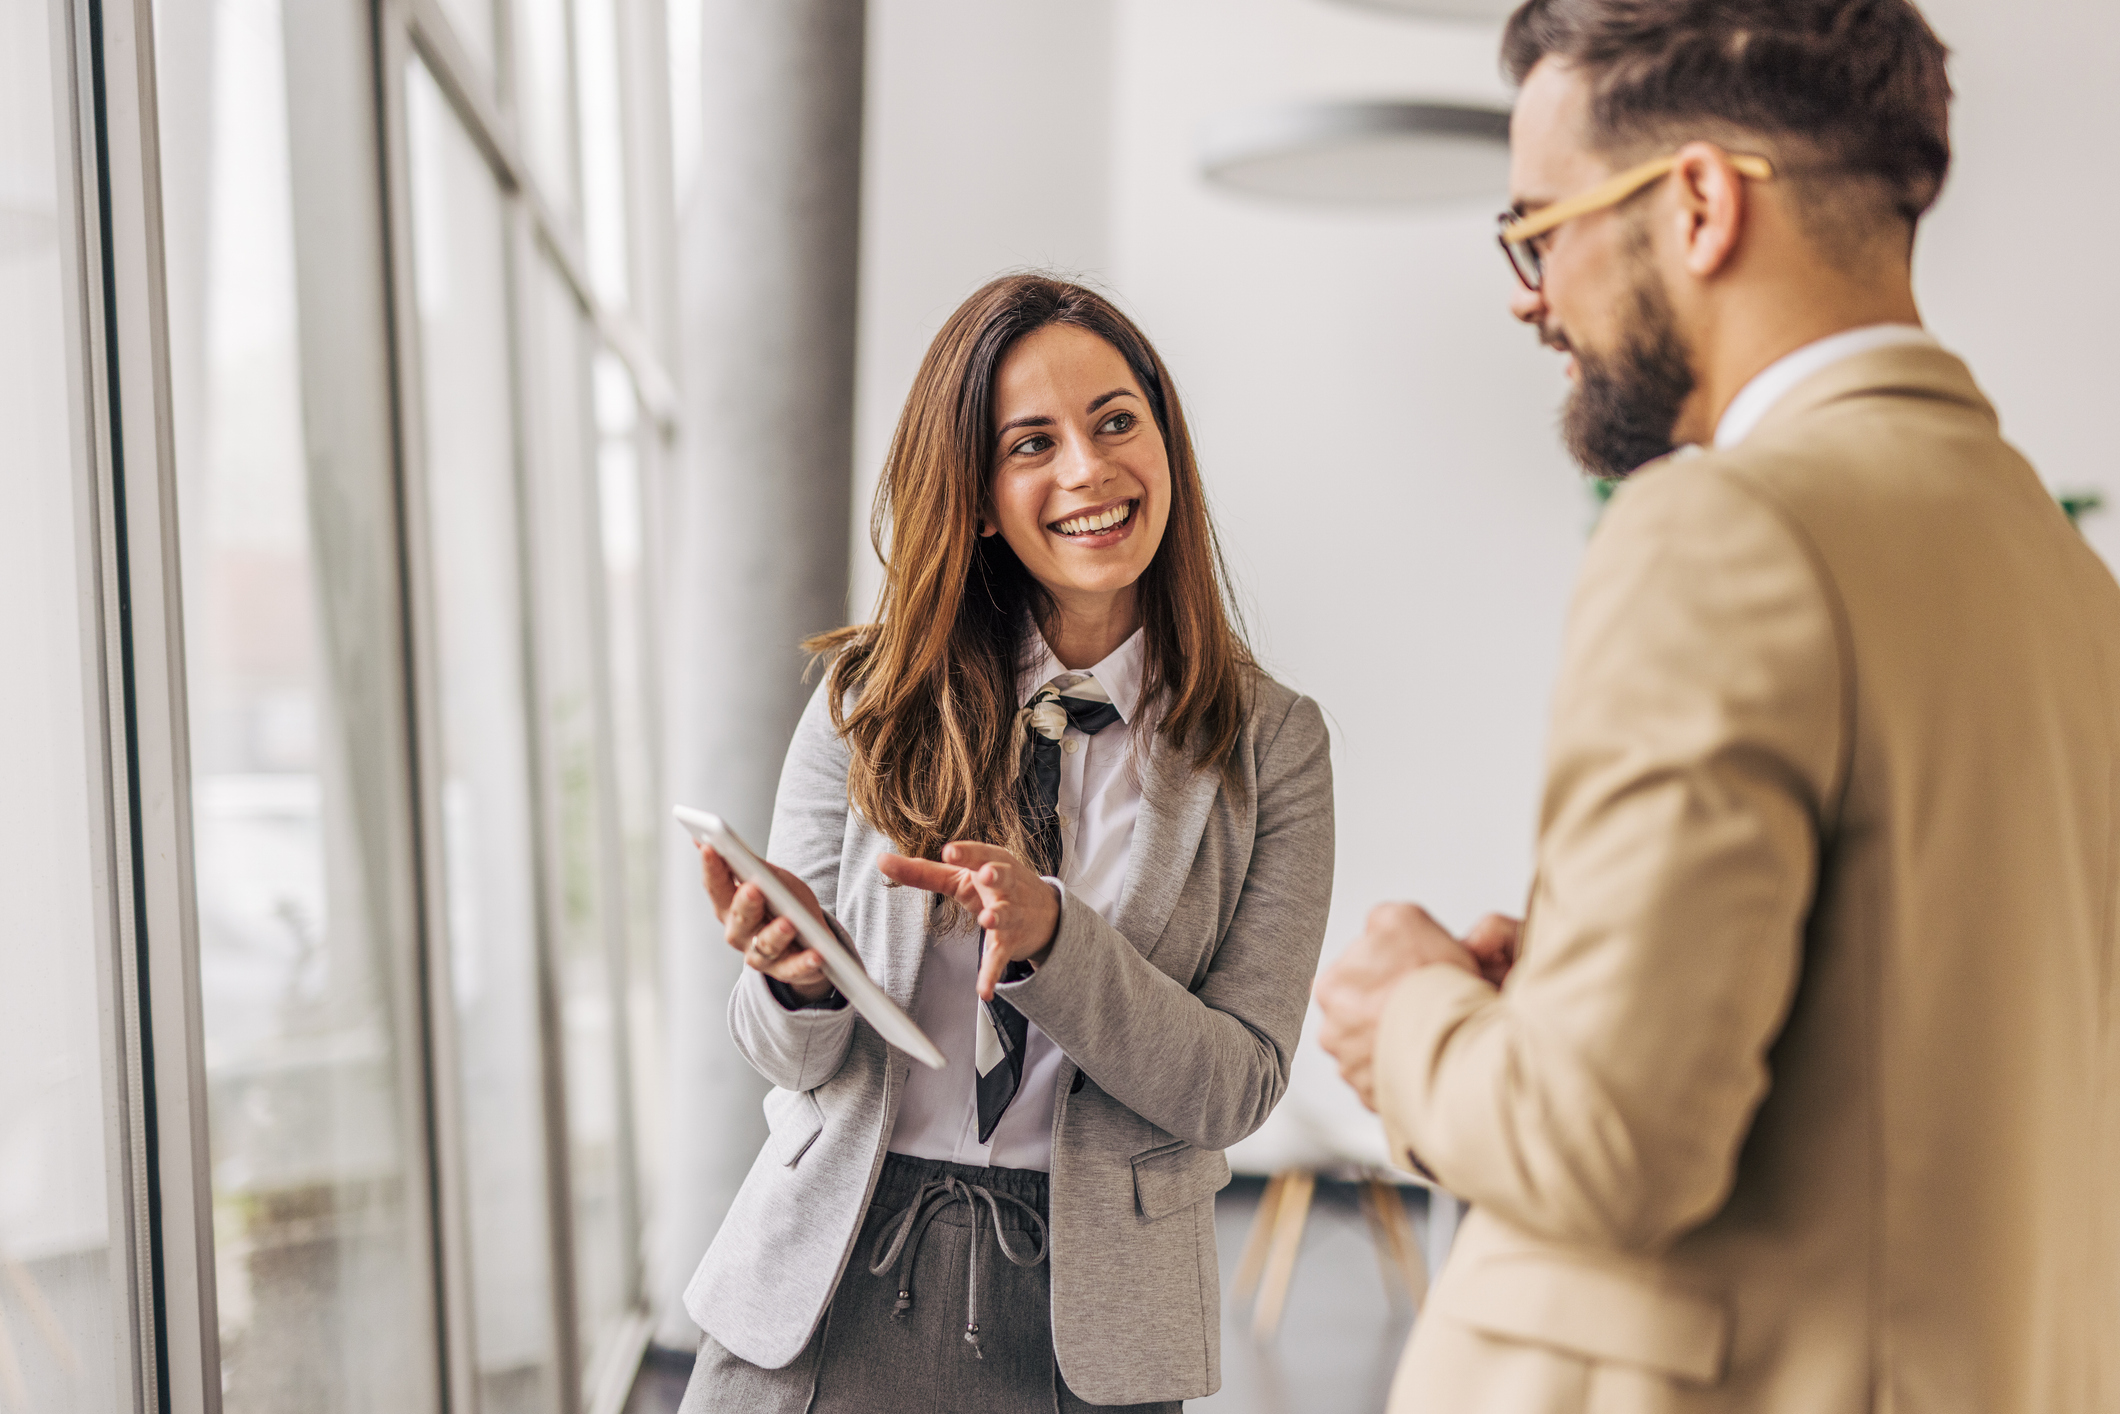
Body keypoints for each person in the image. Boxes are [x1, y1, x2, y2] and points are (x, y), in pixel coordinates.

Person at [1316, 1, 2120, 1411]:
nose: (1529, 293)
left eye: (1541, 227)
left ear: (1695, 204)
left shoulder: (1725, 531)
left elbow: (1611, 1143)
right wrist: (1571, 987)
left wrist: (1414, 1018)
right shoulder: (2068, 579)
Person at [676, 274, 1334, 1412]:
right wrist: (791, 983)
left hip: (1089, 1325)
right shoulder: (866, 697)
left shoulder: (1273, 745)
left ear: (1164, 444)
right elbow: (785, 1062)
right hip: (825, 1279)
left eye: (1116, 420)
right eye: (1031, 442)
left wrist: (1053, 950)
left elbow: (1236, 1086)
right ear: (977, 497)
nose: (1086, 468)